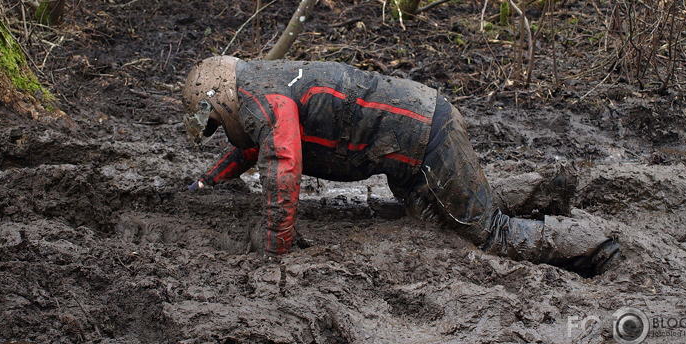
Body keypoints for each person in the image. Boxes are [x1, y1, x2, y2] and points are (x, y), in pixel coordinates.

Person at [183, 56, 620, 276]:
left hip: (426, 136)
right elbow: (251, 149)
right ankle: (546, 188)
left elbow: (282, 161)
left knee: (488, 235)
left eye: (215, 122)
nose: (221, 130)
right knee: (439, 217)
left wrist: (276, 249)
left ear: (220, 96)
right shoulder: (260, 88)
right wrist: (208, 181)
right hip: (414, 142)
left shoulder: (264, 100)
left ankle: (599, 248)